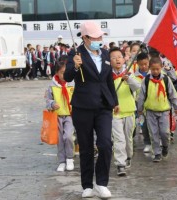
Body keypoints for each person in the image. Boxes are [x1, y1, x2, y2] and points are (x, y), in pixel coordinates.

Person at [64, 21, 119, 199]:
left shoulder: (104, 53)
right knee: (86, 146)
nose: (99, 40)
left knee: (105, 144)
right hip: (83, 106)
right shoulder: (75, 53)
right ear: (86, 38)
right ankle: (87, 185)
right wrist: (75, 65)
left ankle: (101, 183)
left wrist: (114, 101)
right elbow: (67, 77)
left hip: (104, 106)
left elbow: (108, 79)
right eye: (95, 37)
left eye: (100, 37)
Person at [137, 57, 177, 162]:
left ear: (161, 67)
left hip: (164, 111)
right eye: (153, 69)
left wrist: (176, 107)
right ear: (149, 69)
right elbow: (141, 95)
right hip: (150, 111)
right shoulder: (146, 80)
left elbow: (172, 93)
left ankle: (165, 146)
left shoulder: (166, 79)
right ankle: (157, 153)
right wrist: (140, 108)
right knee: (154, 133)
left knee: (165, 132)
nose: (155, 71)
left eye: (157, 69)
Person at [110, 47, 140, 176]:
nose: (117, 59)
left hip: (129, 111)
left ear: (124, 59)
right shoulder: (107, 75)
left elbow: (137, 87)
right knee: (119, 139)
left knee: (128, 139)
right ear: (109, 61)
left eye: (119, 57)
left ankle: (128, 157)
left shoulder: (129, 73)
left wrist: (129, 79)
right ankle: (120, 164)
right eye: (113, 57)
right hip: (115, 113)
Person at [45, 61, 75, 172]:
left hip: (70, 115)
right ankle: (62, 161)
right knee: (60, 139)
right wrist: (52, 104)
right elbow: (48, 99)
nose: (65, 75)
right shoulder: (52, 85)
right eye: (62, 73)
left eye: (67, 72)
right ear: (57, 73)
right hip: (56, 116)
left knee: (68, 136)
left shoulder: (72, 83)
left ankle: (70, 158)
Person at [134, 52, 151, 153]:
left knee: (154, 124)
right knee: (143, 125)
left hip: (152, 103)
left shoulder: (153, 73)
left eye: (146, 64)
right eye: (141, 64)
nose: (144, 66)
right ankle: (147, 142)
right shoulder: (134, 75)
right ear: (137, 64)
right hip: (139, 105)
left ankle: (157, 141)